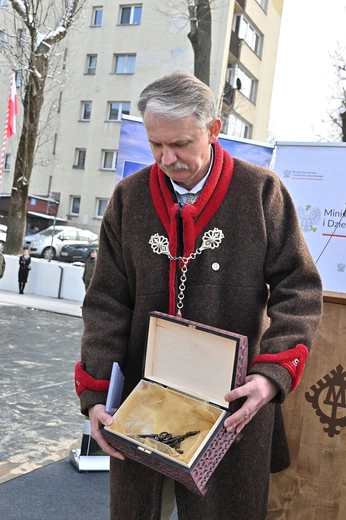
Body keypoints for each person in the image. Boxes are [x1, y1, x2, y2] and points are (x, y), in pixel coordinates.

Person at [76, 71, 323, 520]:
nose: (167, 158)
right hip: (141, 405)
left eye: (181, 144)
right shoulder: (129, 198)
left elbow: (299, 288)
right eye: (156, 145)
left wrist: (271, 374)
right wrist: (95, 393)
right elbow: (107, 301)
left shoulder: (261, 191)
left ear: (213, 129)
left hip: (232, 404)